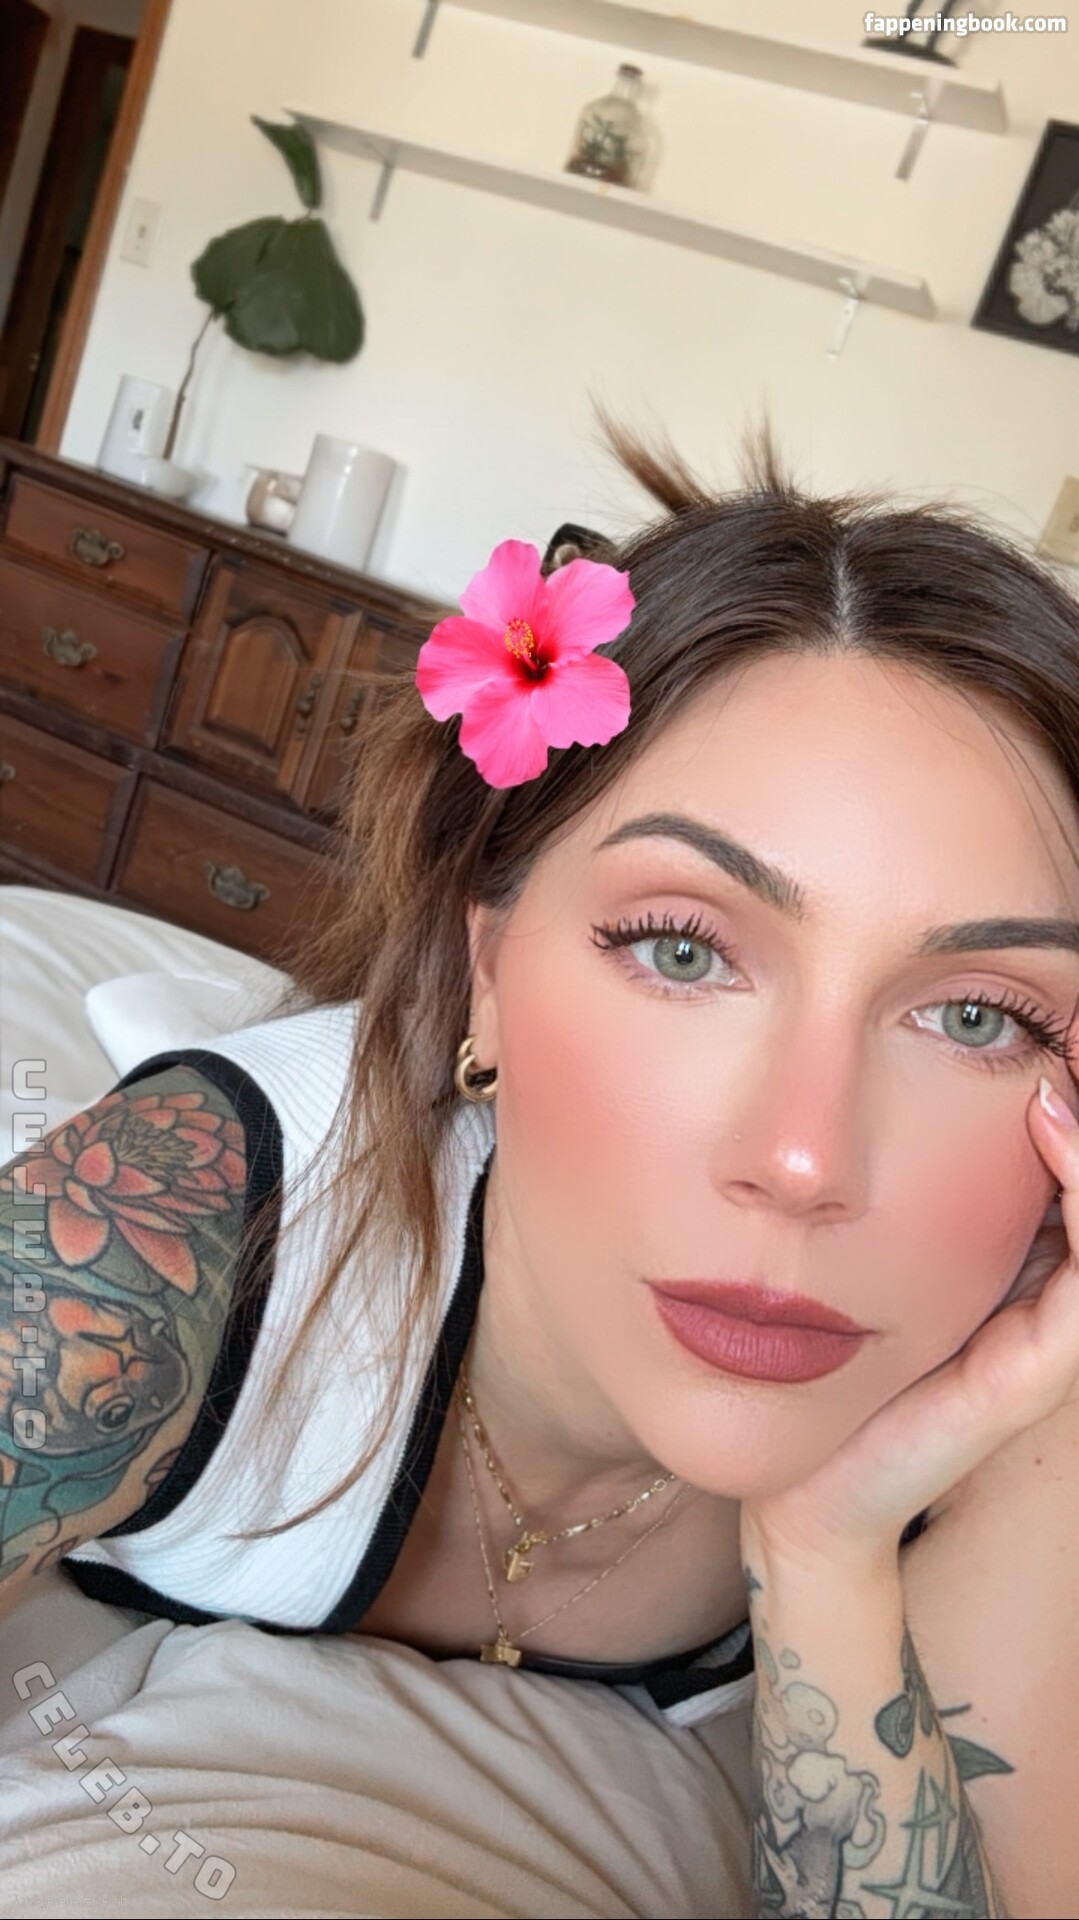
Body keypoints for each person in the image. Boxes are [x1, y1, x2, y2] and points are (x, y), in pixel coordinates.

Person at [3, 418, 1079, 1907]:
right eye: (682, 949)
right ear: (491, 971)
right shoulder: (164, 1232)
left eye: (976, 1018)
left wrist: (830, 1549)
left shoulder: (1020, 1365)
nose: (802, 1158)